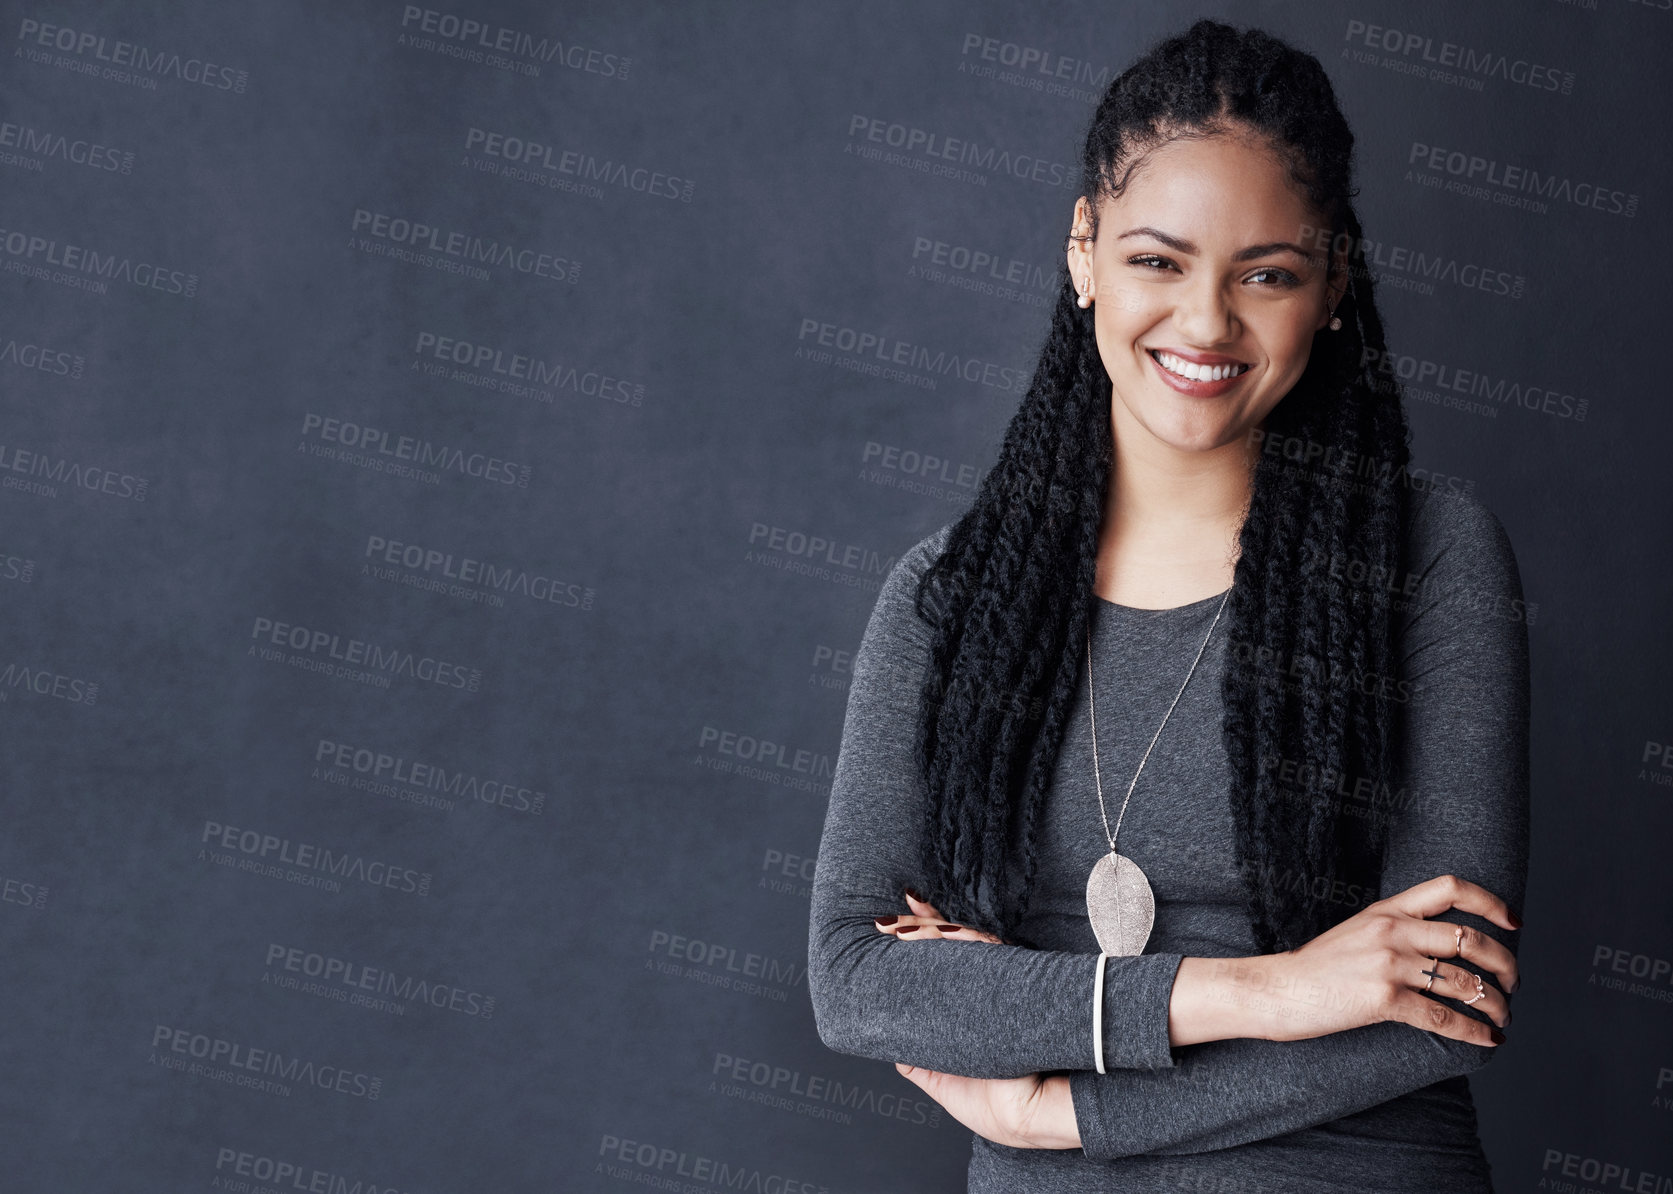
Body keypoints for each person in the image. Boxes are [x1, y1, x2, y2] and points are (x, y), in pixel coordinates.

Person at [805, 18, 1530, 1194]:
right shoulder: (948, 601)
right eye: (1157, 260)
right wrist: (1268, 989)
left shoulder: (1426, 560)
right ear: (1082, 251)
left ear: (1332, 283)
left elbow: (1438, 1004)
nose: (1204, 323)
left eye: (1266, 274)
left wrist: (1064, 1116)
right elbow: (856, 979)